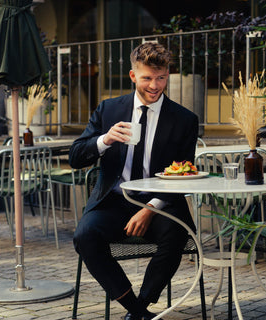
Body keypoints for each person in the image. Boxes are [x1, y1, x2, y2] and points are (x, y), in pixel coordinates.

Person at [69, 42, 198, 320]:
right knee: (84, 236)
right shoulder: (109, 110)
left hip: (161, 202)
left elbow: (184, 175)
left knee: (176, 235)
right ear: (132, 76)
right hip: (114, 201)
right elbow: (76, 157)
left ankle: (144, 303)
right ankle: (137, 312)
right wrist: (104, 140)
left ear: (167, 74)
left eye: (161, 77)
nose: (155, 85)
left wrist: (150, 208)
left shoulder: (185, 120)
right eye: (147, 78)